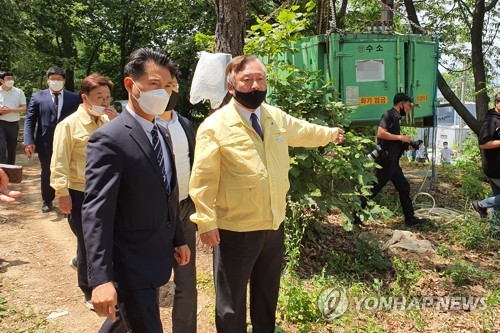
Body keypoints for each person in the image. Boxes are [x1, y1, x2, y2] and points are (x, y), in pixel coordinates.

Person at [189, 54, 345, 333]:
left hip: (273, 224)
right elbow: (202, 180)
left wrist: (331, 134)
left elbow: (304, 132)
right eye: (247, 80)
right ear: (231, 85)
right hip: (235, 228)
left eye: (260, 79)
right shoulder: (214, 127)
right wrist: (206, 221)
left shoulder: (274, 117)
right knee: (231, 301)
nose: (255, 86)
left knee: (266, 294)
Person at [82, 48, 190, 333]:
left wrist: (177, 237)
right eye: (155, 84)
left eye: (168, 86)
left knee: (122, 319)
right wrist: (100, 278)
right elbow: (97, 212)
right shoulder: (109, 139)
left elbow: (169, 190)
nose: (163, 93)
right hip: (128, 261)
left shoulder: (162, 130)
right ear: (131, 85)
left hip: (156, 252)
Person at [50, 73, 118, 311]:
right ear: (85, 98)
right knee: (88, 241)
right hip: (80, 192)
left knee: (103, 239)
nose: (104, 103)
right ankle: (88, 289)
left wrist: (118, 122)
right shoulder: (68, 125)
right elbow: (59, 161)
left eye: (108, 97)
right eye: (99, 97)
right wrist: (62, 192)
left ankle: (96, 272)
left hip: (107, 191)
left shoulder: (110, 122)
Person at [156, 74, 198, 333]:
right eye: (162, 86)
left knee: (186, 280)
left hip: (183, 209)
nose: (169, 91)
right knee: (147, 280)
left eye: (172, 86)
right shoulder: (141, 125)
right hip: (151, 214)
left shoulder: (185, 124)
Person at [355, 93, 427, 227]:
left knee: (404, 188)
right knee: (372, 189)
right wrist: (400, 138)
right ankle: (353, 215)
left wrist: (408, 145)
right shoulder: (389, 115)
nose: (409, 108)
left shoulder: (397, 119)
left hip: (394, 163)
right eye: (408, 105)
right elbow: (381, 133)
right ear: (401, 104)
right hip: (386, 162)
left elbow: (392, 142)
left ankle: (410, 219)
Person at [24, 67, 80, 213]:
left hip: (69, 141)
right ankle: (47, 200)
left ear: (64, 81)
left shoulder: (74, 98)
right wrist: (28, 140)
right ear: (47, 80)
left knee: (70, 170)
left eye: (59, 79)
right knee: (47, 171)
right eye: (52, 79)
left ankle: (70, 199)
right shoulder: (37, 97)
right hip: (46, 142)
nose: (55, 82)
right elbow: (30, 120)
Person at [473, 92, 500, 225]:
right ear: (497, 103)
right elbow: (483, 143)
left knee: (497, 200)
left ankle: (494, 231)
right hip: (495, 167)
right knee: (496, 199)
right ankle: (481, 204)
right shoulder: (491, 120)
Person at [0, 71, 26, 164]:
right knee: (1, 148)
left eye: (12, 78)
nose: (11, 80)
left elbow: (23, 107)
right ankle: (1, 169)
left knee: (12, 148)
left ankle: (11, 168)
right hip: (1, 122)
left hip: (13, 123)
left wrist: (11, 110)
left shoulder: (19, 92)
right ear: (1, 80)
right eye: (8, 78)